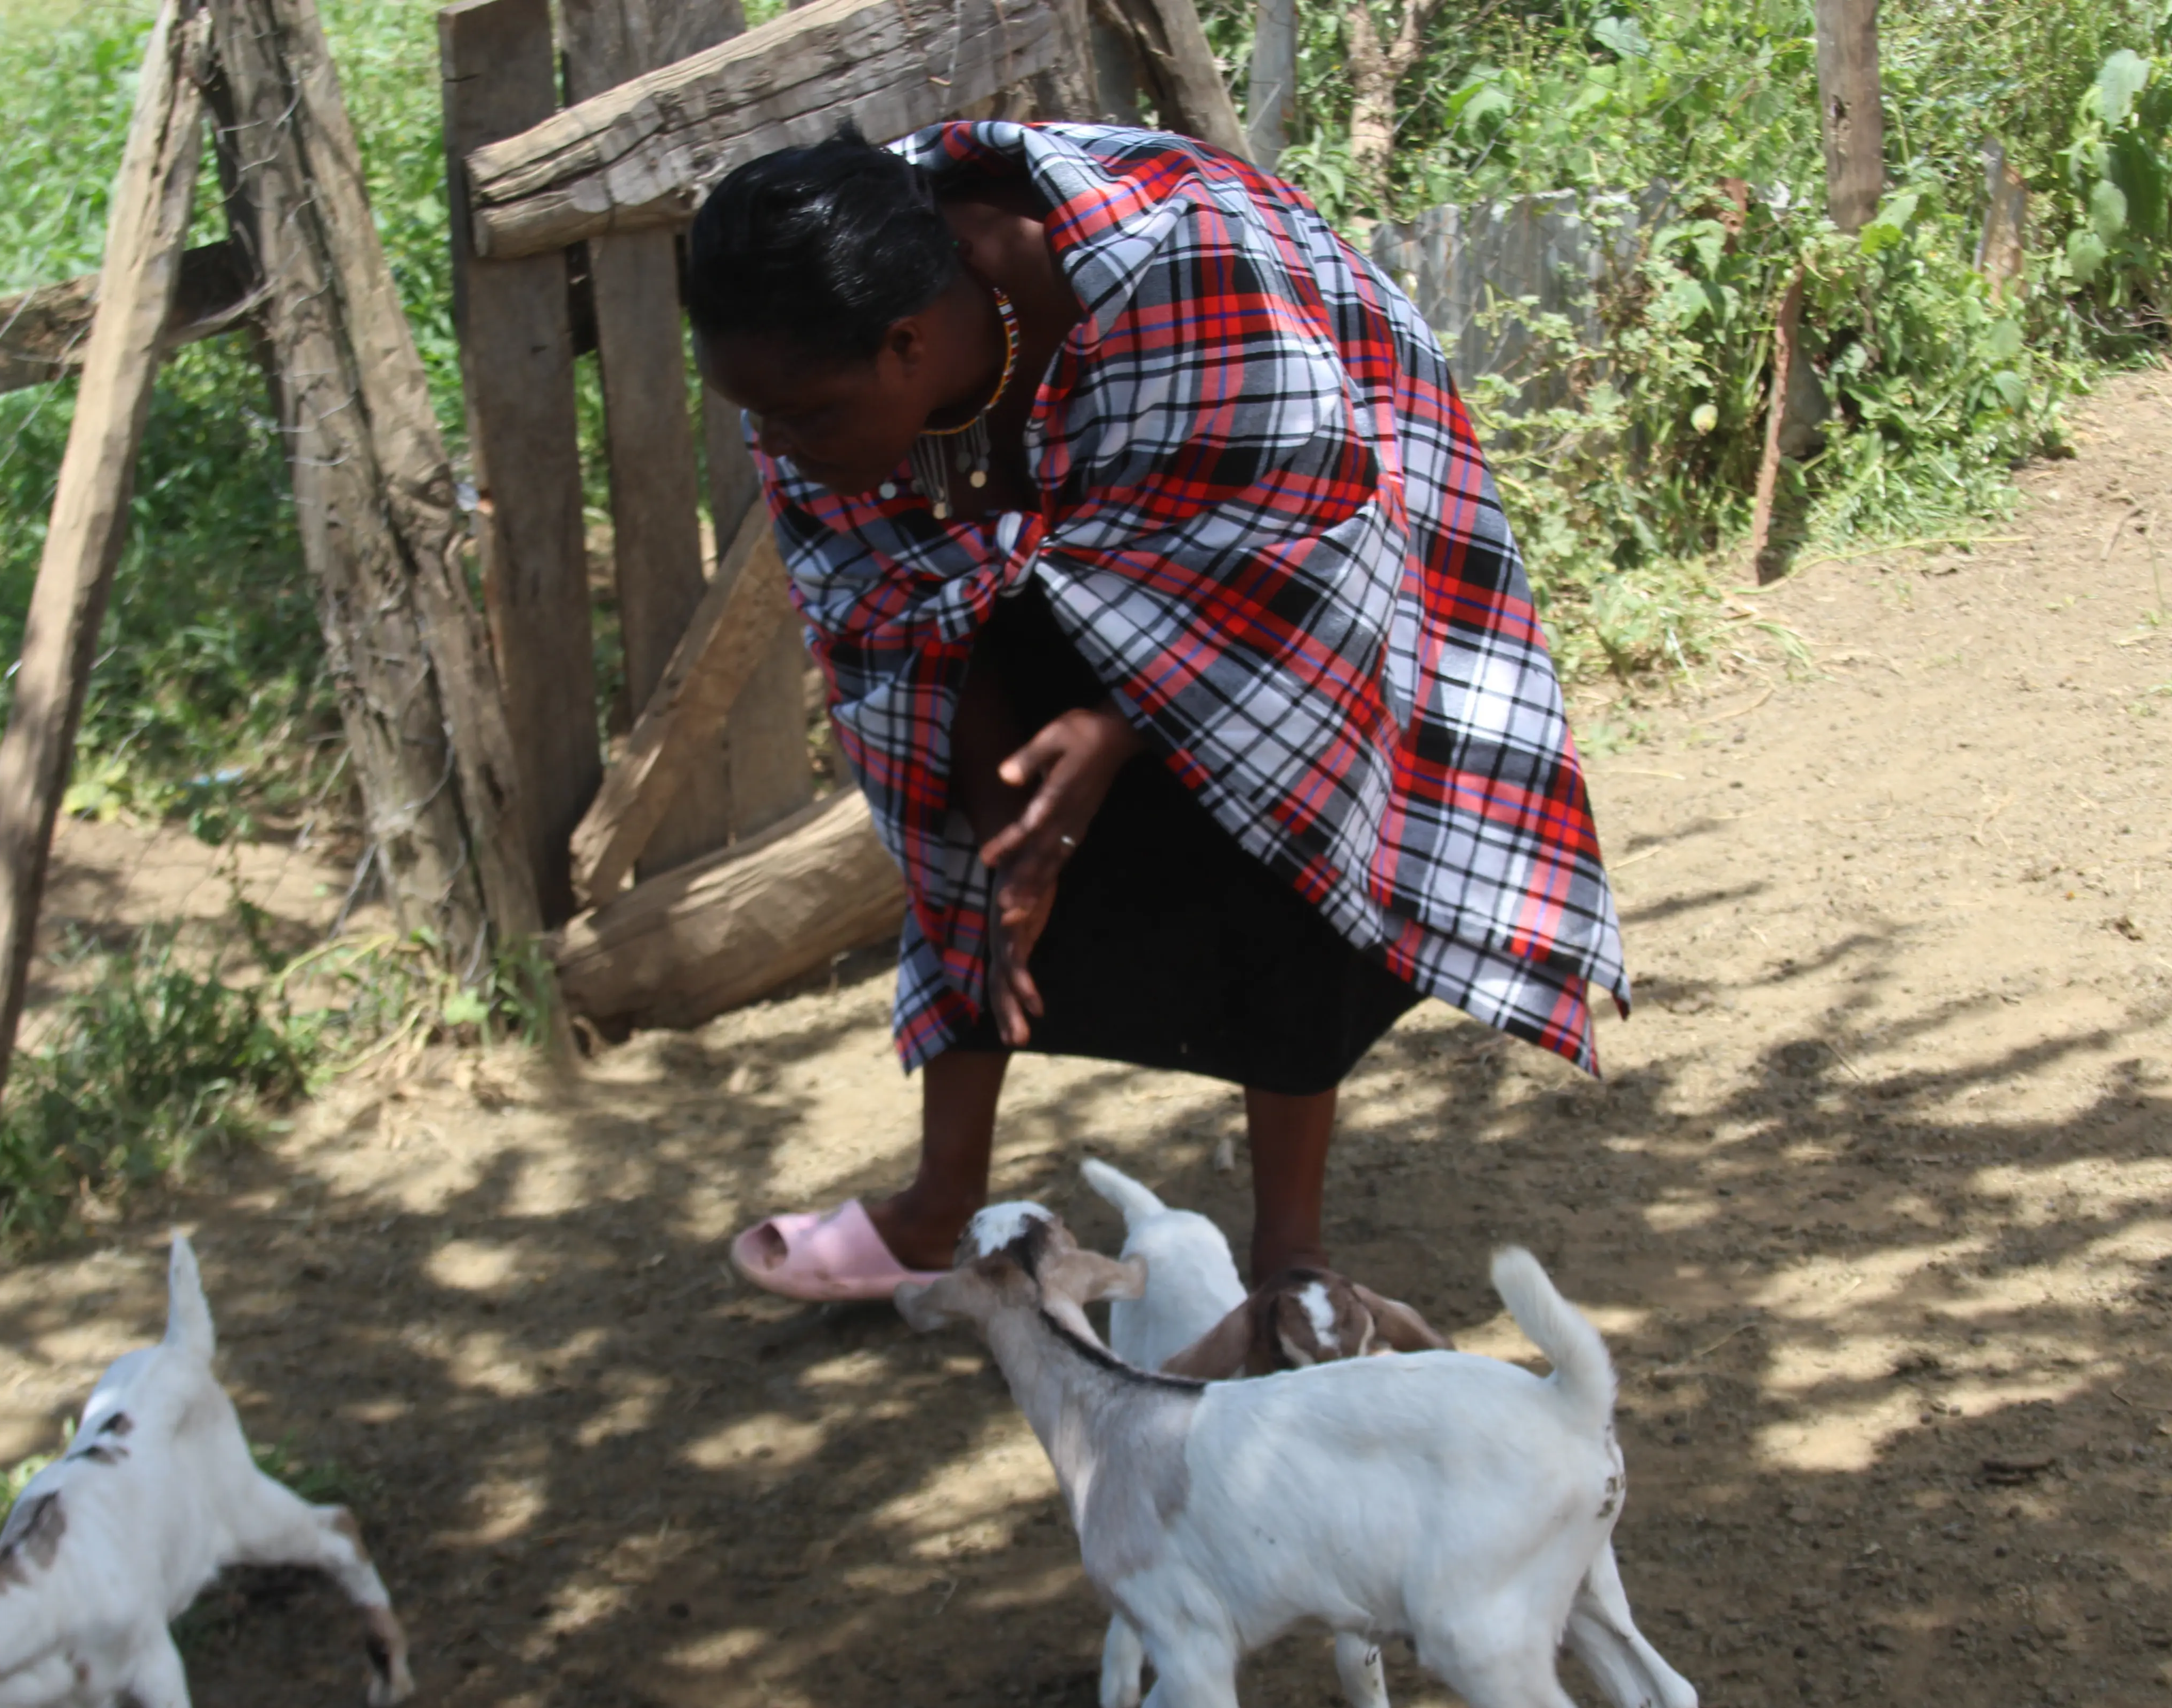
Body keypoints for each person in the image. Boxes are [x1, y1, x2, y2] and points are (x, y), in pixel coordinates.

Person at [689, 121, 1627, 1300]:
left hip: (1277, 543)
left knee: (1274, 809)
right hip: (1048, 532)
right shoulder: (807, 363)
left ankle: (1292, 1256)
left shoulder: (1177, 267)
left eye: (802, 420)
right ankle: (939, 1206)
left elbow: (1305, 557)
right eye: (753, 417)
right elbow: (904, 613)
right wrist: (1011, 837)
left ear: (907, 344)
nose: (770, 449)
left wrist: (1125, 723)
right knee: (978, 842)